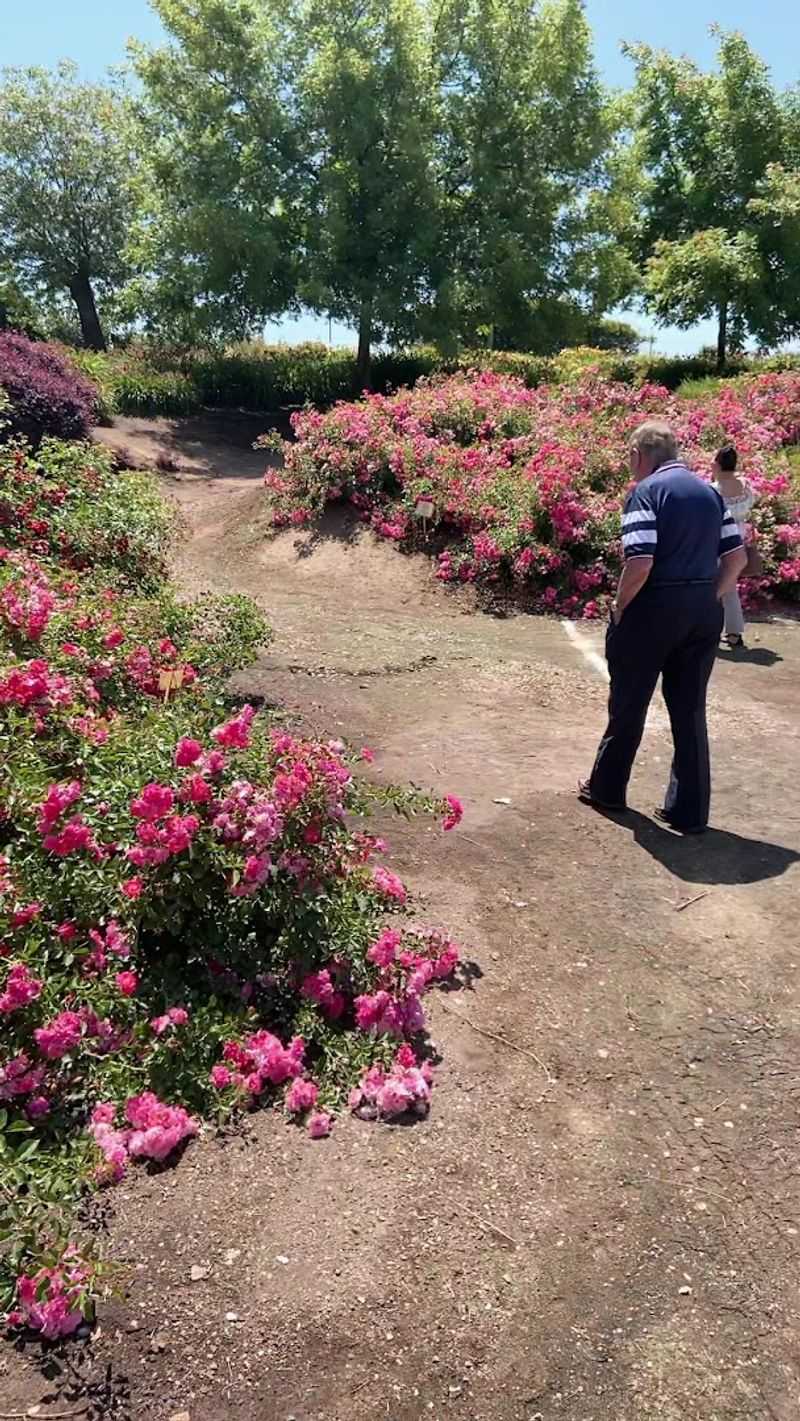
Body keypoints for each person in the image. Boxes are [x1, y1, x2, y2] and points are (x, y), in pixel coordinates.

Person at [579, 421, 747, 833]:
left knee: (630, 701)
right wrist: (710, 598)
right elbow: (737, 558)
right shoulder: (710, 493)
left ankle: (607, 789)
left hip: (654, 607)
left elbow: (640, 562)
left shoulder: (645, 492)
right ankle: (688, 812)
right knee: (689, 710)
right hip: (702, 610)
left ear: (638, 455)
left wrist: (619, 606)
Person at [711, 443, 755, 648]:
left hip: (720, 538)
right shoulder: (745, 484)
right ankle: (733, 630)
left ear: (717, 464)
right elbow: (750, 506)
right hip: (740, 536)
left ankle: (730, 630)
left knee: (723, 584)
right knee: (729, 583)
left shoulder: (714, 489)